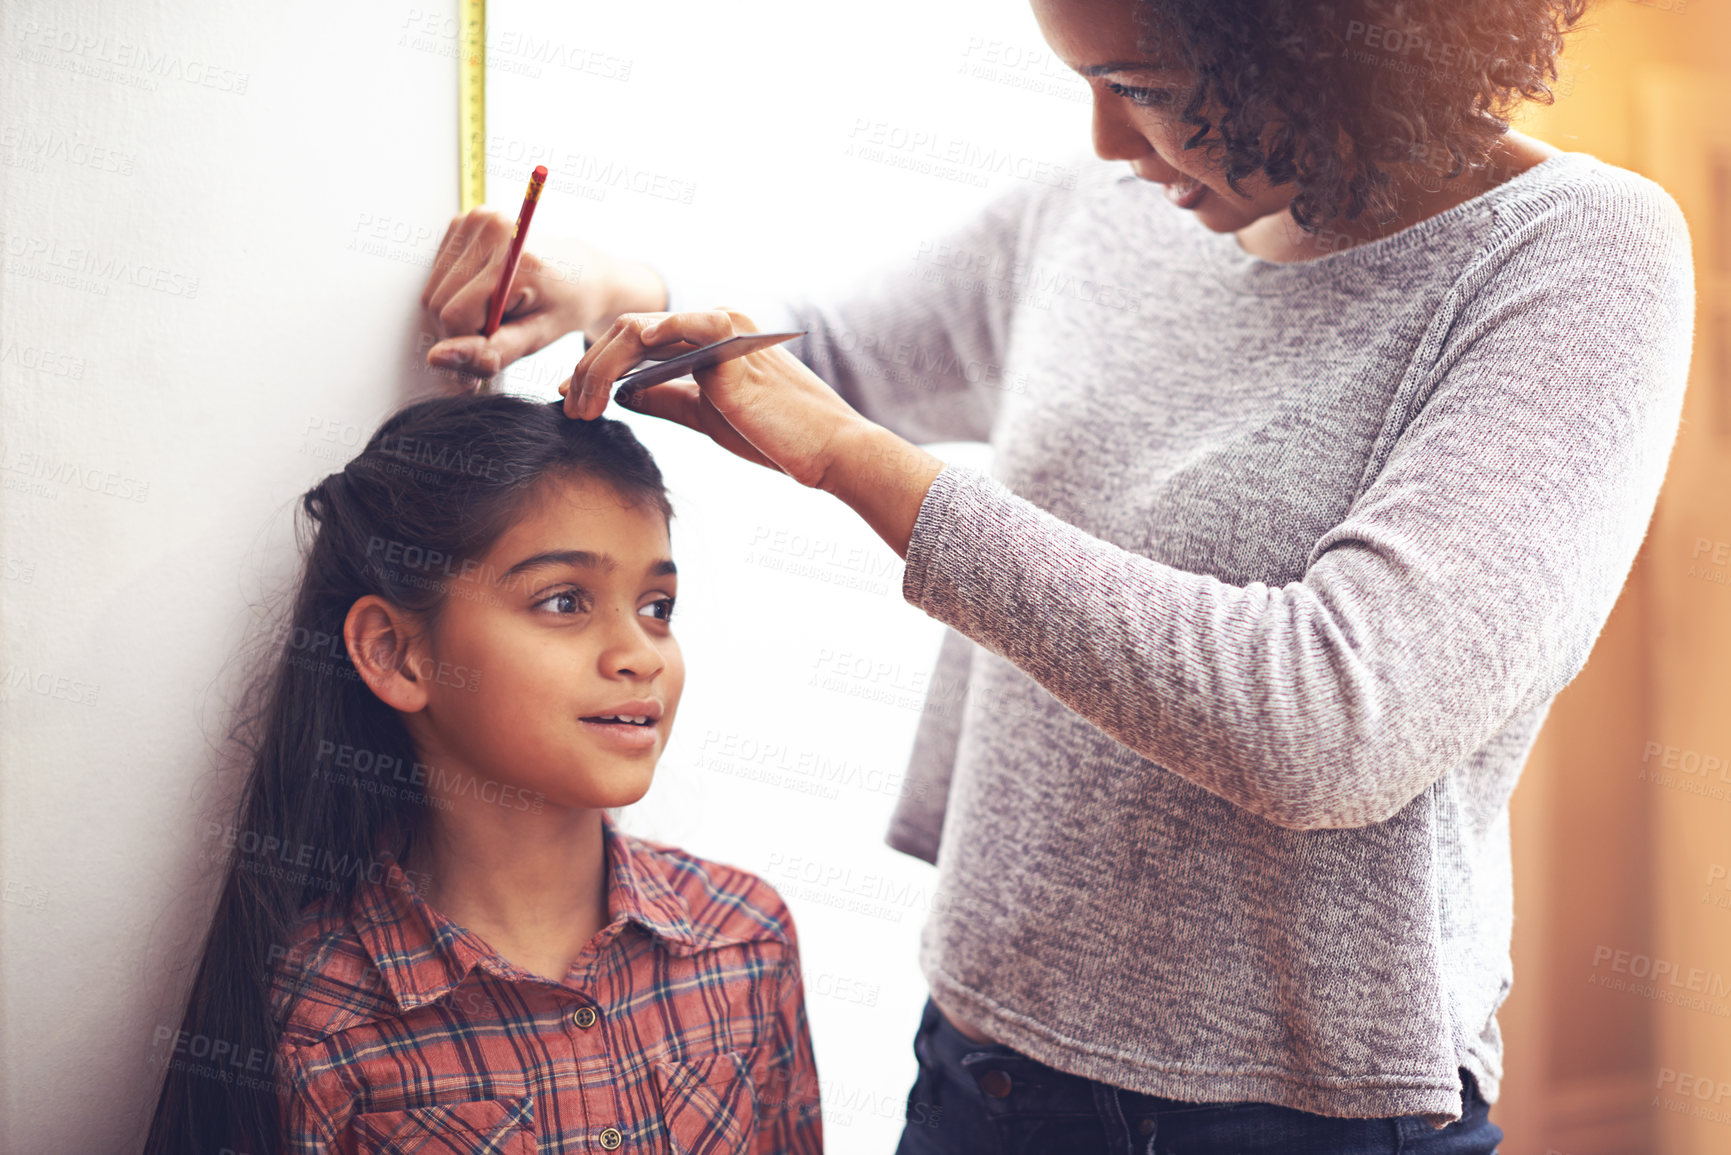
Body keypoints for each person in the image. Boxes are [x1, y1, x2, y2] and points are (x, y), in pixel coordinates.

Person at [415, 0, 1696, 1150]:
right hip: (987, 1068)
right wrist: (599, 288)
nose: (1105, 142)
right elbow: (812, 357)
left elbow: (1337, 720)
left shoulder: (1572, 257)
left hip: (1300, 1119)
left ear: (1325, 45)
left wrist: (864, 469)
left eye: (1144, 85)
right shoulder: (1090, 215)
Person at [141, 394, 822, 1154]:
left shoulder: (745, 937)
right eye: (564, 600)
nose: (640, 653)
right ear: (397, 653)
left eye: (657, 605)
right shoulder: (320, 1014)